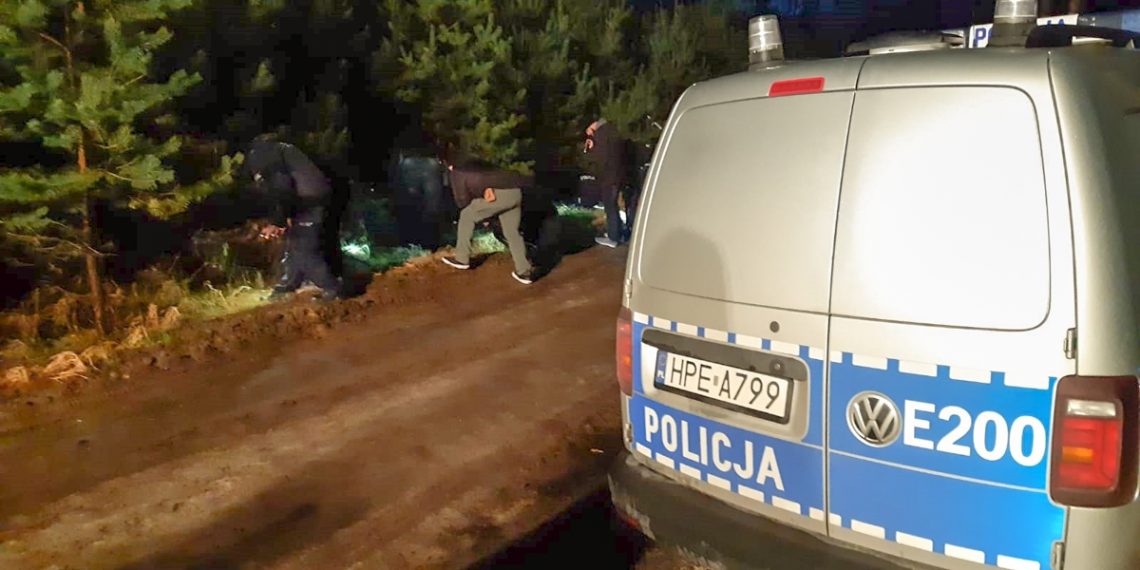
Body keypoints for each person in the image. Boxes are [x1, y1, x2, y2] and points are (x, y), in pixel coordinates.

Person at [245, 137, 342, 302]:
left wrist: (278, 222)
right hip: (309, 200)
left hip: (310, 202)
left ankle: (332, 288)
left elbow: (282, 187)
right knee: (293, 245)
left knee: (303, 248)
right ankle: (285, 288)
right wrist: (285, 217)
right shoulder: (277, 151)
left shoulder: (262, 156)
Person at [441, 159, 537, 285]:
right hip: (515, 192)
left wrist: (482, 215)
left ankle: (462, 258)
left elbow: (462, 200)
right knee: (512, 232)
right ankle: (524, 271)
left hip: (499, 195)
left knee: (466, 215)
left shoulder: (457, 172)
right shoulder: (477, 163)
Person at [584, 118, 630, 248]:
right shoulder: (614, 131)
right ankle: (618, 234)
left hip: (608, 177)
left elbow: (600, 158)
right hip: (618, 176)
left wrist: (591, 149)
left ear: (592, 127)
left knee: (610, 206)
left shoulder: (600, 135)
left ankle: (613, 237)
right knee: (614, 205)